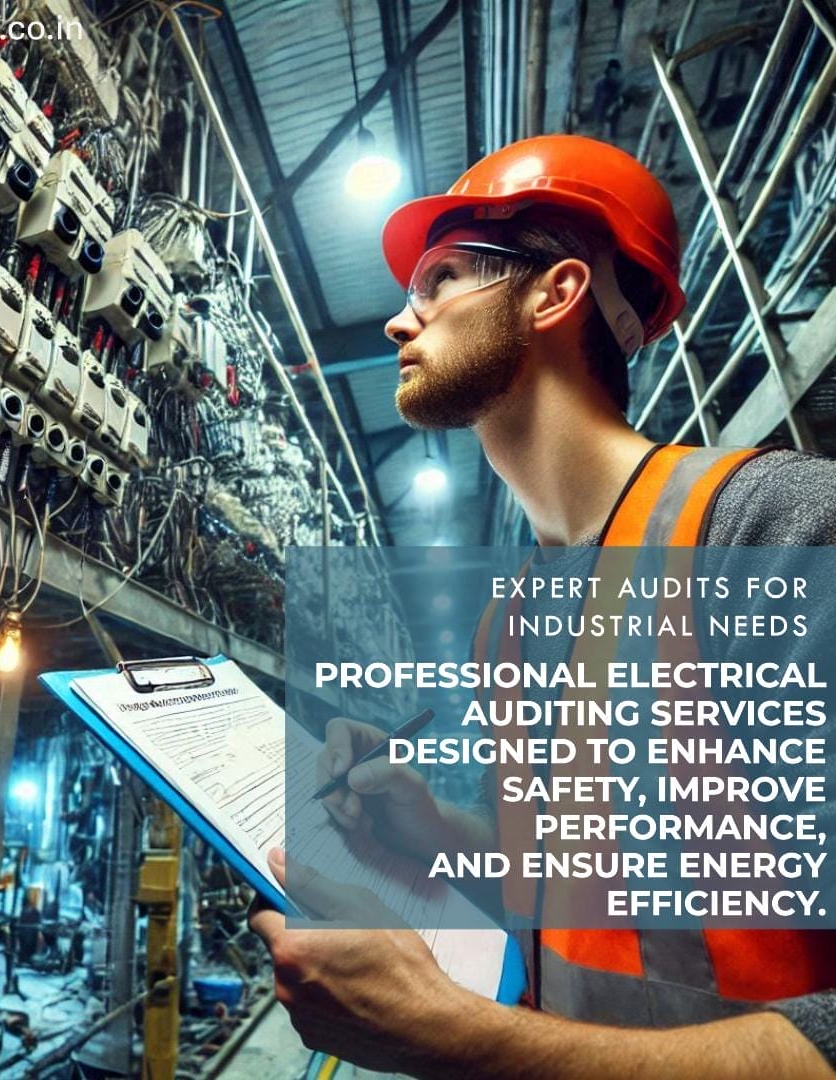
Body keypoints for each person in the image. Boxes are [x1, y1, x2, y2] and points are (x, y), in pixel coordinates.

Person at [248, 135, 836, 1078]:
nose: (403, 323)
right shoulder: (511, 621)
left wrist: (464, 1040)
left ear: (554, 294)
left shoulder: (772, 530)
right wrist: (438, 830)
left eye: (440, 279)